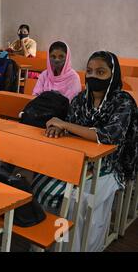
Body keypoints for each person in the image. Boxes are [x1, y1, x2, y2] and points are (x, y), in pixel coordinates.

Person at [38, 51, 137, 251]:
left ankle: (77, 247)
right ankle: (53, 244)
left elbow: (110, 136)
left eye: (101, 72)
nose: (93, 77)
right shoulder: (80, 99)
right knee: (42, 190)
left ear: (113, 74)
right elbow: (70, 129)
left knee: (77, 201)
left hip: (110, 165)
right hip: (77, 160)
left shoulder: (123, 101)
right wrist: (59, 128)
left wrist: (65, 125)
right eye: (90, 71)